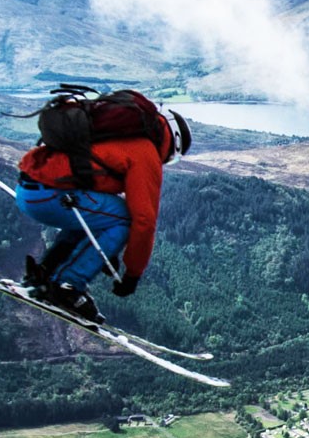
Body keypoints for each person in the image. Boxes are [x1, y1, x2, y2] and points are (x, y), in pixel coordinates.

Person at [14, 93, 191, 323]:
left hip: (29, 190)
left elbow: (95, 212)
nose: (166, 162)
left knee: (97, 215)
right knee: (125, 219)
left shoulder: (115, 135)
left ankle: (44, 273)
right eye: (173, 158)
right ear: (173, 142)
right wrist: (132, 274)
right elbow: (144, 221)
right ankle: (68, 286)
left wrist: (108, 248)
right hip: (50, 197)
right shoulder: (145, 151)